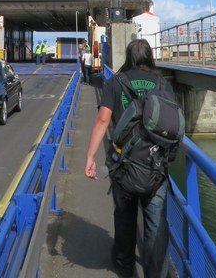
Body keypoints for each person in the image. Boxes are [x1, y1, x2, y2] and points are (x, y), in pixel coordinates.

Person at [85, 39, 171, 278]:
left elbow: (103, 120)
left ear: (129, 57)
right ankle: (157, 273)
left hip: (125, 162)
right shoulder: (162, 83)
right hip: (156, 163)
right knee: (156, 222)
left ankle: (125, 263)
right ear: (150, 56)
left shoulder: (116, 82)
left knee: (124, 215)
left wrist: (91, 156)